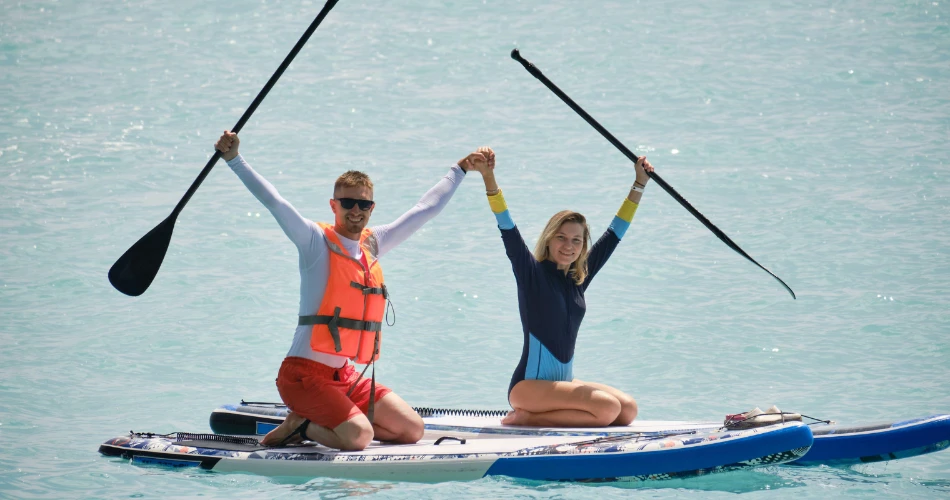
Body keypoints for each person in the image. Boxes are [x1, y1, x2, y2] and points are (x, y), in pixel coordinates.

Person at [215, 131, 489, 450]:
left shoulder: (372, 244)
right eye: (348, 202)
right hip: (302, 378)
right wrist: (235, 160)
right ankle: (302, 425)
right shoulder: (314, 242)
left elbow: (424, 210)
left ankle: (328, 420)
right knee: (360, 437)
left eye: (363, 203)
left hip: (344, 376)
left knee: (412, 429)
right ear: (334, 205)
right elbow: (275, 202)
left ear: (372, 208)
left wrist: (459, 170)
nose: (356, 210)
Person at [469, 148, 654, 427]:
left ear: (583, 246)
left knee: (627, 409)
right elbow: (506, 225)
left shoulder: (579, 279)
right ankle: (527, 417)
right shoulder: (531, 272)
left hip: (560, 385)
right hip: (528, 387)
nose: (569, 246)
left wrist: (639, 184)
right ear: (549, 239)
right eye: (561, 237)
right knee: (606, 410)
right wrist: (488, 177)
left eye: (576, 241)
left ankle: (539, 415)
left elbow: (615, 232)